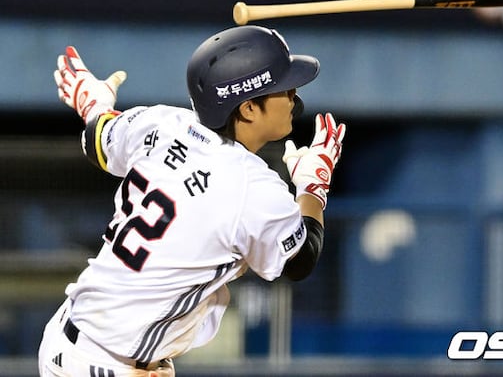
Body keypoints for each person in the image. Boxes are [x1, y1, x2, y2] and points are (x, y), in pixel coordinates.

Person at [38, 25, 346, 377]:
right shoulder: (252, 186)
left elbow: (97, 138)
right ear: (248, 108)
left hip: (73, 337)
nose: (293, 95)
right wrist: (312, 185)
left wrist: (92, 101)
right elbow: (300, 260)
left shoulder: (160, 122)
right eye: (283, 87)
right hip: (110, 364)